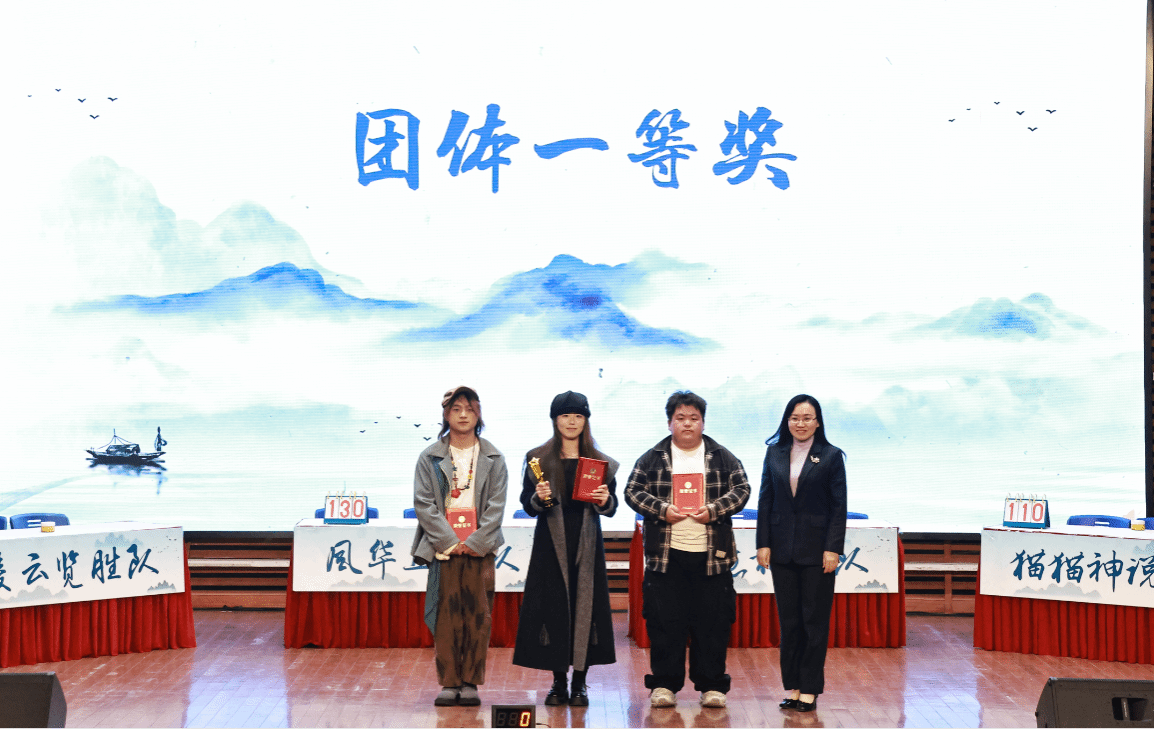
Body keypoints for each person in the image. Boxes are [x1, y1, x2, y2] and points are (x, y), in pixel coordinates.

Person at [625, 391, 750, 709]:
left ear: (703, 422)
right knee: (665, 624)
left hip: (712, 557)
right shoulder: (653, 457)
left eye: (694, 418)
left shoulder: (722, 456)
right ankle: (664, 685)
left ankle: (712, 686)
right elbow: (632, 491)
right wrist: (661, 509)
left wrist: (715, 509)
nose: (687, 424)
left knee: (713, 624)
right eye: (680, 418)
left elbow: (742, 489)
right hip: (666, 557)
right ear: (670, 423)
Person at [513, 391, 618, 706]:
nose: (572, 422)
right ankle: (559, 682)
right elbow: (527, 504)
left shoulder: (600, 462)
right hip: (550, 547)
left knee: (587, 610)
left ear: (585, 421)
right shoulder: (537, 459)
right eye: (565, 415)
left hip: (587, 546)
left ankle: (580, 684)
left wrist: (605, 500)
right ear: (555, 420)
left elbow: (610, 506)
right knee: (554, 609)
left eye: (578, 416)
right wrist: (538, 498)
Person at [411, 386, 508, 707]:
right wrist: (450, 541)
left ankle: (471, 683)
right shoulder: (430, 457)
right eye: (456, 409)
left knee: (478, 617)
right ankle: (449, 682)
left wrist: (475, 541)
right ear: (446, 414)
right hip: (444, 549)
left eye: (469, 409)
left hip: (481, 549)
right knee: (446, 617)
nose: (463, 415)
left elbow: (496, 506)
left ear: (478, 414)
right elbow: (424, 503)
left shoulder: (494, 457)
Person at [756, 394, 847, 714]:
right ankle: (793, 687)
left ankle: (809, 689)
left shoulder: (831, 456)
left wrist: (833, 548)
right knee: (790, 622)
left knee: (814, 622)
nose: (801, 423)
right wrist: (763, 543)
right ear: (787, 420)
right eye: (795, 418)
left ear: (818, 422)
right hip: (782, 550)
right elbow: (765, 500)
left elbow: (838, 507)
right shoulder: (774, 452)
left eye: (807, 418)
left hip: (817, 552)